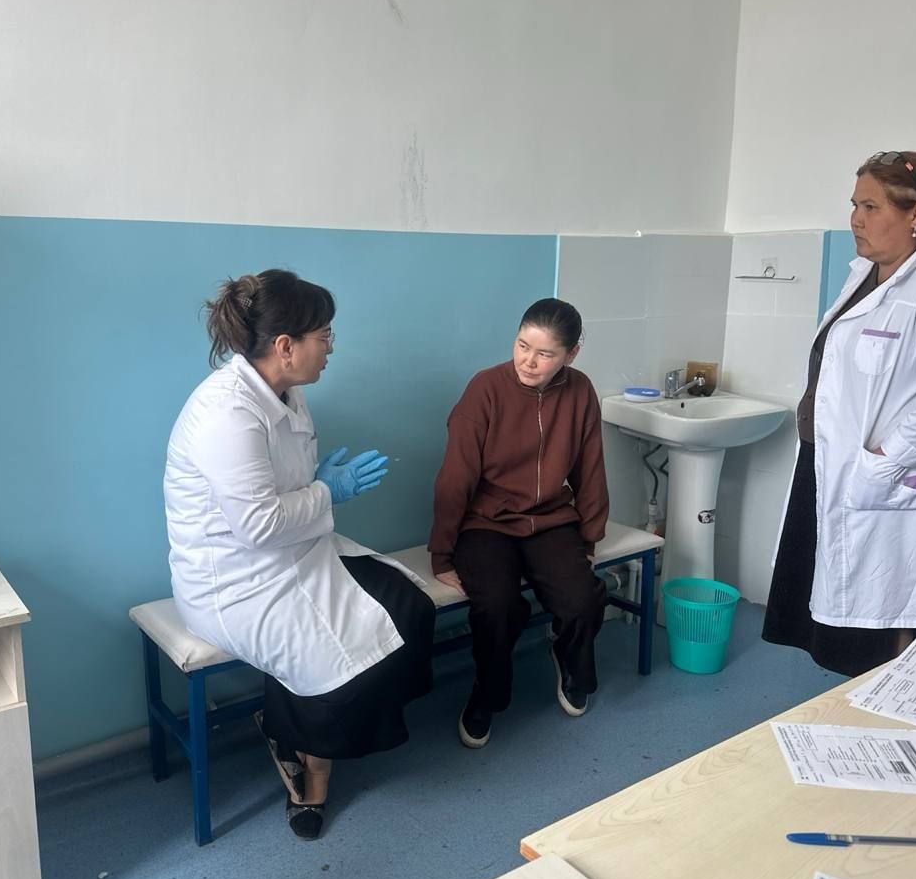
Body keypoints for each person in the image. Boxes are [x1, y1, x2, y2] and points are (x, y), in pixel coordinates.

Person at [164, 269, 435, 840]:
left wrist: (318, 483)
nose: (331, 347)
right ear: (286, 346)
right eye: (325, 335)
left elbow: (279, 492)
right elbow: (258, 524)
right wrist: (327, 491)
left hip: (296, 549)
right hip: (234, 581)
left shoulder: (287, 392)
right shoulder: (227, 414)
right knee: (336, 666)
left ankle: (301, 727)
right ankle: (307, 768)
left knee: (412, 608)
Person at [763, 150, 916, 676]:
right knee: (833, 615)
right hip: (826, 462)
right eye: (854, 205)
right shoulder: (864, 273)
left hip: (881, 472)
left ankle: (888, 715)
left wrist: (889, 454)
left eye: (871, 206)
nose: (855, 219)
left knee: (886, 619)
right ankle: (853, 709)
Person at [429, 298, 609, 747]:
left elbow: (590, 466)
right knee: (497, 606)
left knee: (582, 600)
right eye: (522, 345)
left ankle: (567, 657)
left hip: (551, 518)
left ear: (571, 354)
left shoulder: (580, 391)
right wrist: (441, 553)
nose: (528, 361)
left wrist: (590, 536)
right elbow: (455, 477)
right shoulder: (485, 389)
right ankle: (487, 694)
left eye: (545, 353)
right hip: (486, 522)